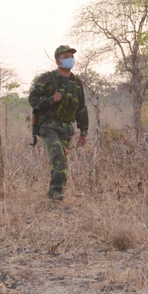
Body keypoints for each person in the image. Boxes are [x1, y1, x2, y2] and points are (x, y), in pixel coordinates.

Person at [28, 45, 88, 202]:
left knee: (62, 160)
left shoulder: (76, 82)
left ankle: (56, 191)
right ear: (57, 61)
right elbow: (33, 100)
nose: (70, 59)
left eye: (71, 56)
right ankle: (56, 193)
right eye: (66, 56)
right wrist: (51, 99)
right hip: (48, 126)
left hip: (66, 128)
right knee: (59, 157)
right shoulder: (47, 79)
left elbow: (81, 108)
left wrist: (84, 132)